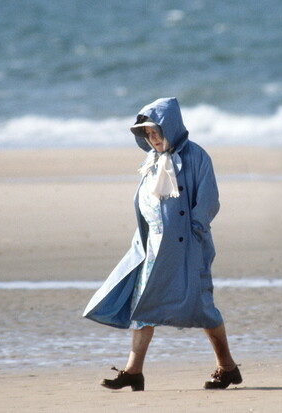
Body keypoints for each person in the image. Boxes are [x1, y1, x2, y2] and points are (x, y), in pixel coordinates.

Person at [83, 97, 241, 391]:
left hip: (188, 249)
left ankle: (227, 367)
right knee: (145, 305)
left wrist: (194, 232)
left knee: (203, 308)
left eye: (156, 131)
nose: (153, 138)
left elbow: (208, 201)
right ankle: (133, 371)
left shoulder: (197, 157)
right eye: (147, 134)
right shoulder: (151, 160)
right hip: (153, 249)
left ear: (171, 127)